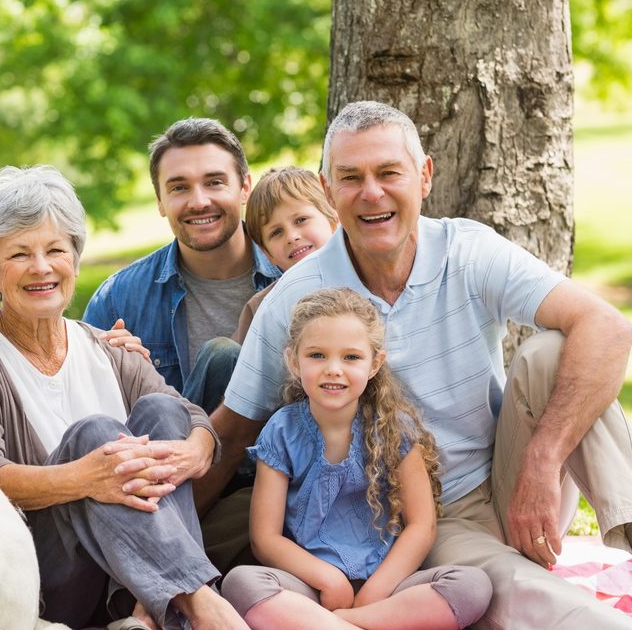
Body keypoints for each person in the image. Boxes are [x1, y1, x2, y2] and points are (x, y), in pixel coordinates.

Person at [206, 101, 632, 627]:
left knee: (560, 348)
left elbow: (610, 328)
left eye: (389, 173)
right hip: (423, 520)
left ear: (424, 175)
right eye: (351, 177)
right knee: (516, 594)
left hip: (512, 477)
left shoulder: (468, 250)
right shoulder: (297, 297)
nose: (372, 193)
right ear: (328, 189)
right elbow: (232, 430)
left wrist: (542, 463)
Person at [0, 165, 248, 630]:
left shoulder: (107, 347)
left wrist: (194, 451)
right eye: (19, 254)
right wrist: (84, 477)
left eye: (55, 250)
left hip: (127, 582)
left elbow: (191, 417)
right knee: (94, 434)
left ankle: (148, 611)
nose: (41, 267)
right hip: (49, 578)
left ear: (75, 262)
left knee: (162, 411)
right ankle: (200, 604)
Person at [221, 288, 492, 630]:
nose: (333, 369)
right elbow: (265, 538)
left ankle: (346, 624)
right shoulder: (282, 431)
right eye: (317, 355)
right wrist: (328, 580)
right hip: (309, 590)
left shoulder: (396, 429)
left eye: (351, 357)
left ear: (375, 363)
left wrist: (371, 595)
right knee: (242, 584)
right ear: (293, 360)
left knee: (470, 587)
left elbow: (422, 526)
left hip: (387, 588)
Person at [83, 117, 280, 415]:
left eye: (214, 182)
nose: (199, 202)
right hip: (175, 456)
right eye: (179, 188)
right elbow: (89, 409)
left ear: (244, 188)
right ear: (160, 201)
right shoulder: (117, 301)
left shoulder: (294, 276)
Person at [231, 165, 338, 343]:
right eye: (276, 232)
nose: (292, 237)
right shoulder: (263, 307)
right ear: (267, 254)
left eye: (301, 220)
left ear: (333, 219)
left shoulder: (369, 279)